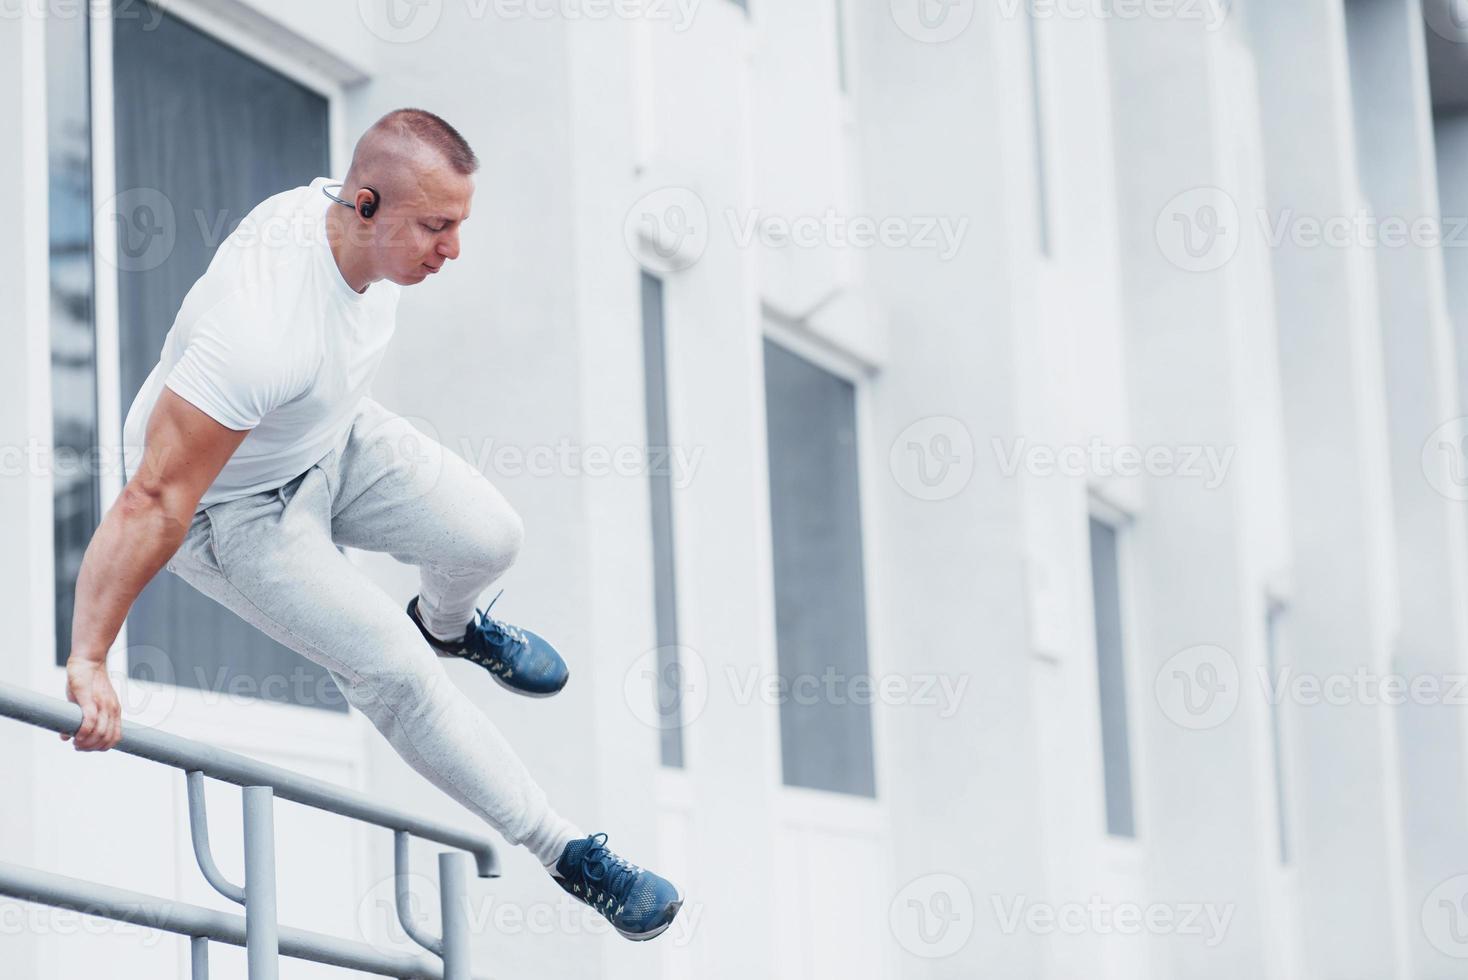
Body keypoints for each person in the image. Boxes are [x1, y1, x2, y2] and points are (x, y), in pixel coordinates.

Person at [60, 108, 682, 943]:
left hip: (331, 437)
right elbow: (154, 500)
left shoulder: (350, 221)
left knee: (491, 536)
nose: (450, 250)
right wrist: (92, 655)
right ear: (361, 206)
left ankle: (449, 624)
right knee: (396, 675)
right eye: (435, 228)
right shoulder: (259, 328)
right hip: (229, 511)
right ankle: (566, 851)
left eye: (458, 225)